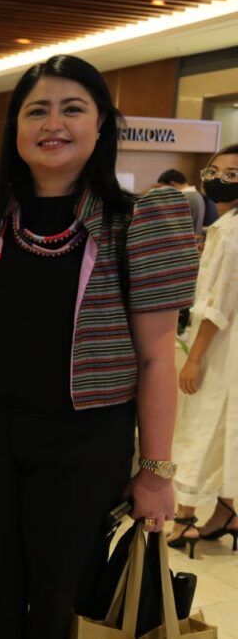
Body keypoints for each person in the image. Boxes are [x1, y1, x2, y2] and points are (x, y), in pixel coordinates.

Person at [0, 54, 198, 638]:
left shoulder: (136, 222)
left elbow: (156, 357)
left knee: (61, 607)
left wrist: (156, 472)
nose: (53, 124)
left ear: (101, 125)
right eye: (37, 111)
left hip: (85, 443)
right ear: (15, 128)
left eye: (72, 109)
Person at [169, 144, 238, 557]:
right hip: (231, 348)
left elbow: (217, 304)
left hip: (219, 349)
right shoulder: (226, 225)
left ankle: (185, 517)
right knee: (226, 426)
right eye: (214, 171)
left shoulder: (229, 233)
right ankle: (227, 511)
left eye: (232, 174)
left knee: (200, 424)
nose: (219, 179)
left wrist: (193, 358)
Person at [157, 168, 205, 239]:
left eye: (163, 189)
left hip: (184, 240)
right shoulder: (197, 194)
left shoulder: (181, 197)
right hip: (194, 239)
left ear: (172, 184)